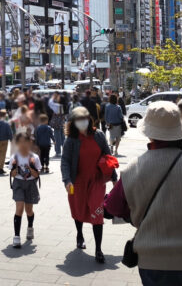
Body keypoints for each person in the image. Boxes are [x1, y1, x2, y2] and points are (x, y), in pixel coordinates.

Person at [104, 101, 182, 286]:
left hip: (154, 263)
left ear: (149, 133)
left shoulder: (133, 169)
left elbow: (112, 207)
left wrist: (135, 213)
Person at [60, 105, 113, 263]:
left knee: (97, 212)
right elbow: (65, 161)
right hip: (77, 182)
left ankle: (98, 249)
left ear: (89, 119)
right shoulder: (71, 140)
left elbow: (108, 156)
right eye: (78, 119)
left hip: (96, 181)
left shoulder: (99, 135)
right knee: (78, 209)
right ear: (73, 122)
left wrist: (114, 177)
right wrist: (67, 180)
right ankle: (79, 234)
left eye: (84, 118)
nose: (82, 122)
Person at [9, 132, 42, 248]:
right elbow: (12, 174)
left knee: (29, 210)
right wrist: (14, 169)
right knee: (19, 208)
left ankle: (30, 227)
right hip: (18, 184)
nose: (23, 144)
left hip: (31, 184)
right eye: (20, 142)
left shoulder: (34, 157)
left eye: (25, 142)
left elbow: (37, 174)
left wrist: (31, 168)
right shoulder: (14, 157)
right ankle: (16, 236)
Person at [0, 109, 13, 174]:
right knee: (3, 154)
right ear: (5, 116)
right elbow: (9, 132)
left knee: (0, 154)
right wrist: (11, 139)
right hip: (5, 140)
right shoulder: (7, 124)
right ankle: (1, 168)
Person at [49, 92, 67, 157]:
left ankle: (58, 152)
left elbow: (50, 103)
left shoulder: (57, 106)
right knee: (63, 138)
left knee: (57, 138)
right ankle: (65, 151)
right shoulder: (63, 106)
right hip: (62, 123)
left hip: (57, 124)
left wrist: (53, 97)